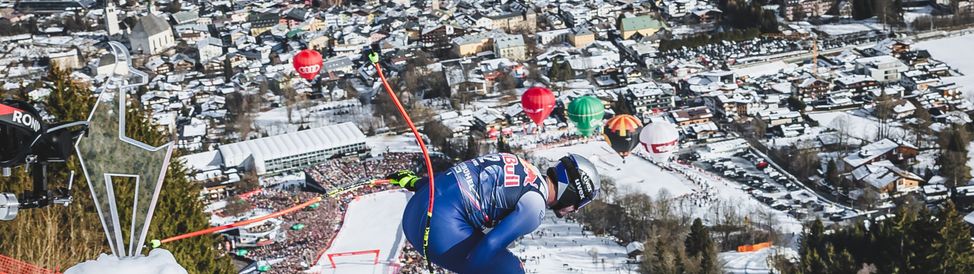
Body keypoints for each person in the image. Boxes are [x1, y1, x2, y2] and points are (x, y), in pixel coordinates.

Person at [388, 153, 600, 274]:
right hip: (434, 231)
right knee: (513, 269)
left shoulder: (519, 163)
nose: (573, 210)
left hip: (417, 210)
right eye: (577, 204)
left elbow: (459, 181)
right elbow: (489, 246)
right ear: (572, 193)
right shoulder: (535, 206)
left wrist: (416, 182)